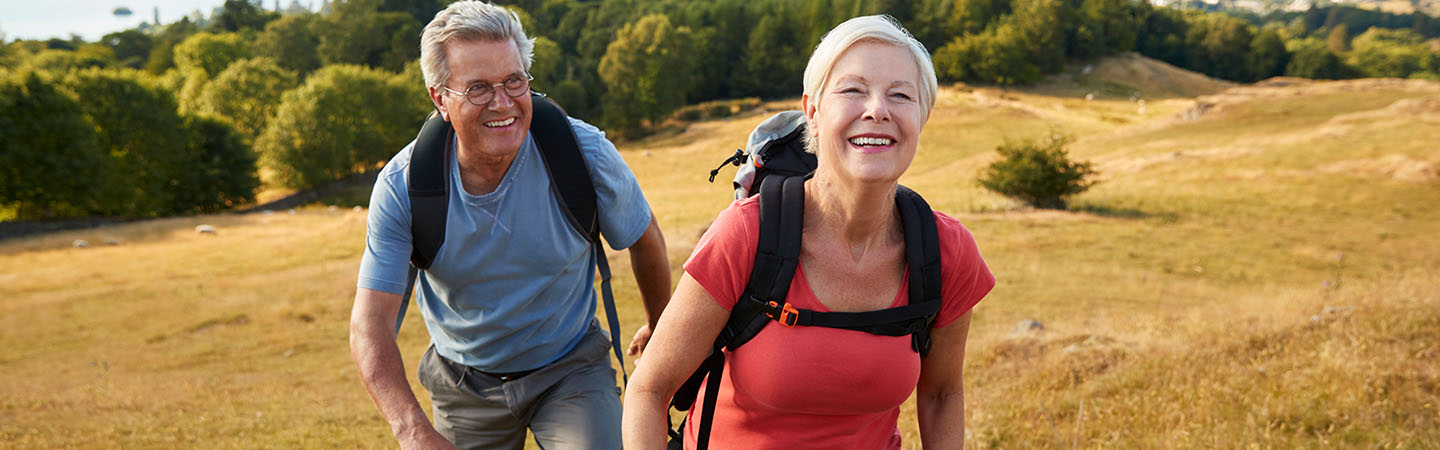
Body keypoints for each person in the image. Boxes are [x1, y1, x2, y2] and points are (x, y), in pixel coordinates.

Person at [622, 15, 994, 450]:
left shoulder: (946, 252)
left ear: (922, 117)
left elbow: (942, 394)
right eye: (853, 90)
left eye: (900, 94)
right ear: (813, 114)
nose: (877, 109)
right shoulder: (746, 235)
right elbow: (649, 391)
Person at [349, 2, 671, 449]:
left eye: (514, 81)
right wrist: (412, 431)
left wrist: (659, 330)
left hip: (571, 368)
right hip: (463, 384)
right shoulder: (405, 186)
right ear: (440, 99)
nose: (503, 103)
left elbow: (645, 237)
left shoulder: (583, 153)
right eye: (478, 88)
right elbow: (370, 323)